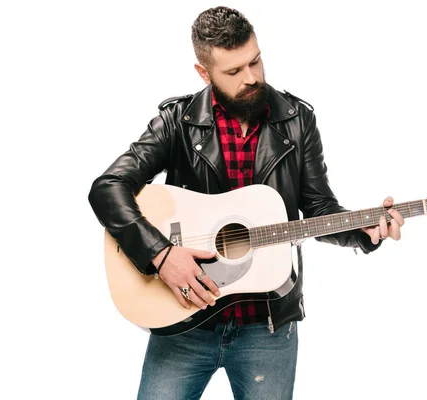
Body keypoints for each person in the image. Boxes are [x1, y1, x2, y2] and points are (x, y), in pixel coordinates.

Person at [88, 6, 404, 399]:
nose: (252, 77)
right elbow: (108, 187)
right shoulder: (177, 121)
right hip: (186, 320)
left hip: (268, 328)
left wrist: (365, 231)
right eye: (234, 72)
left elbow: (320, 209)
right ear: (204, 73)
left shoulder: (297, 120)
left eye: (255, 61)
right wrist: (161, 255)